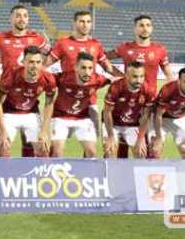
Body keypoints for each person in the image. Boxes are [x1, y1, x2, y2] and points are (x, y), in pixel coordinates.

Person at [0, 4, 50, 156]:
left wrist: (42, 66)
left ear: (28, 19)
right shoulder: (0, 38)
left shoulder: (37, 38)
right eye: (18, 15)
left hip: (30, 96)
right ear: (11, 18)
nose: (22, 19)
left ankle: (25, 174)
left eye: (25, 16)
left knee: (30, 141)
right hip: (6, 95)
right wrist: (0, 59)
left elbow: (53, 55)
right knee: (0, 140)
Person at [44, 10, 118, 145]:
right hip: (65, 102)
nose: (85, 25)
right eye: (82, 21)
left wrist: (123, 78)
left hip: (90, 102)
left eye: (88, 22)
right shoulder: (63, 43)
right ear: (74, 23)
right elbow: (45, 65)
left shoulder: (96, 44)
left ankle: (89, 166)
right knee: (56, 146)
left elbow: (108, 67)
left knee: (91, 144)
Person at [106, 14, 173, 158]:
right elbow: (103, 58)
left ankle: (149, 176)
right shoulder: (125, 48)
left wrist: (167, 94)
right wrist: (118, 74)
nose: (145, 28)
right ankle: (120, 176)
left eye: (148, 25)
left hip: (151, 101)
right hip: (127, 100)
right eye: (141, 25)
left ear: (152, 28)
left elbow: (169, 75)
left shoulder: (159, 50)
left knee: (151, 147)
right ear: (135, 29)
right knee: (122, 146)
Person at [0, 46, 56, 157]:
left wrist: (44, 130)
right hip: (8, 113)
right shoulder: (11, 75)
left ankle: (38, 174)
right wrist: (3, 131)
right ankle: (5, 174)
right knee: (3, 147)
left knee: (43, 148)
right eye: (31, 62)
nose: (35, 65)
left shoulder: (48, 79)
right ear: (24, 62)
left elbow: (49, 104)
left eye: (38, 62)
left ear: (42, 63)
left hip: (31, 113)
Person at [50, 52, 111, 158]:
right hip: (60, 117)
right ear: (76, 67)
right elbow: (44, 78)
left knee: (92, 152)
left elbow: (116, 79)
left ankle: (86, 174)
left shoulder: (97, 79)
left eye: (90, 68)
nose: (87, 72)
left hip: (82, 117)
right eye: (83, 68)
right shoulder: (63, 78)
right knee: (57, 151)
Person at [150, 67, 185, 160]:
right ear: (179, 80)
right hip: (161, 119)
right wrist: (158, 136)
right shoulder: (168, 90)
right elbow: (158, 115)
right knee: (155, 150)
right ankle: (154, 173)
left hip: (181, 118)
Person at [102, 61, 156, 158]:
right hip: (113, 124)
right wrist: (110, 136)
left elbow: (146, 116)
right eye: (135, 76)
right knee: (110, 151)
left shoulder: (149, 90)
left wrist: (141, 138)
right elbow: (107, 112)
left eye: (141, 76)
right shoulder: (116, 87)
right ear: (126, 75)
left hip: (133, 124)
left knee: (141, 153)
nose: (139, 80)